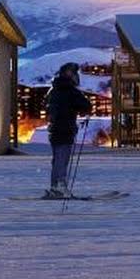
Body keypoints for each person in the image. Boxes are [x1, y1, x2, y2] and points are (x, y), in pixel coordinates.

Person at [45, 62, 93, 198]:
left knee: (57, 158)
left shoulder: (54, 90)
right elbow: (84, 105)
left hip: (54, 129)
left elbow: (48, 106)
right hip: (65, 128)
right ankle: (60, 185)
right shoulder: (70, 91)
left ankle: (54, 185)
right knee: (62, 157)